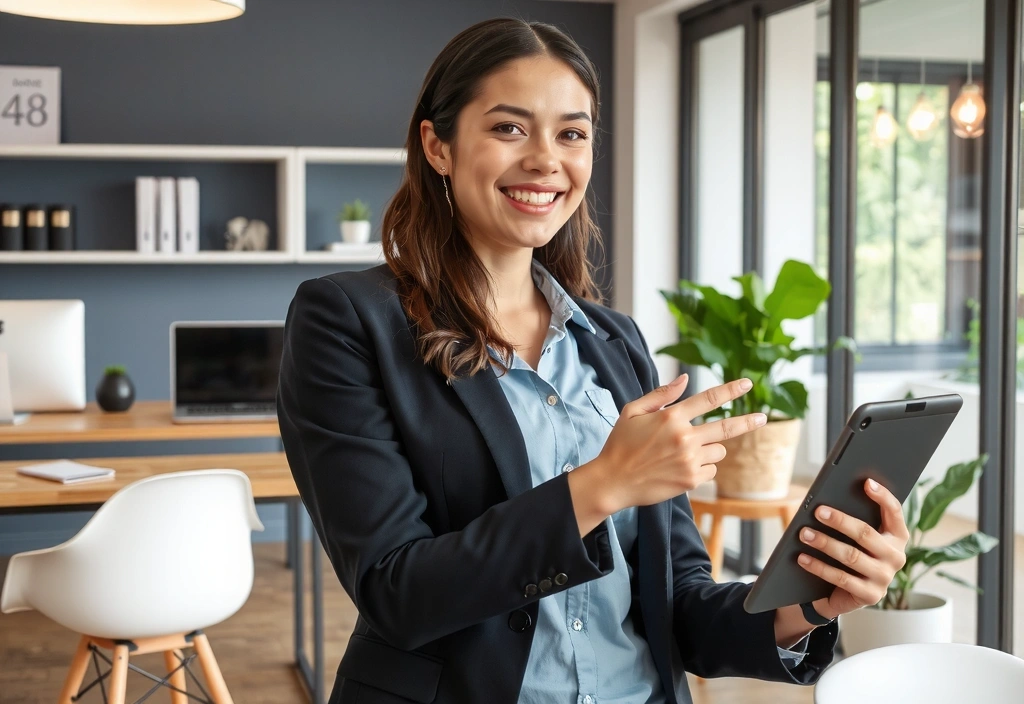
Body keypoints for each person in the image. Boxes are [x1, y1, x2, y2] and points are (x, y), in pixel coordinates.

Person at [277, 17, 910, 704]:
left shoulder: (614, 343)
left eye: (571, 134)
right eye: (509, 128)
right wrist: (601, 485)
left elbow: (678, 603)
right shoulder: (347, 321)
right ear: (438, 146)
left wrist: (808, 603)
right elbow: (394, 591)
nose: (546, 160)